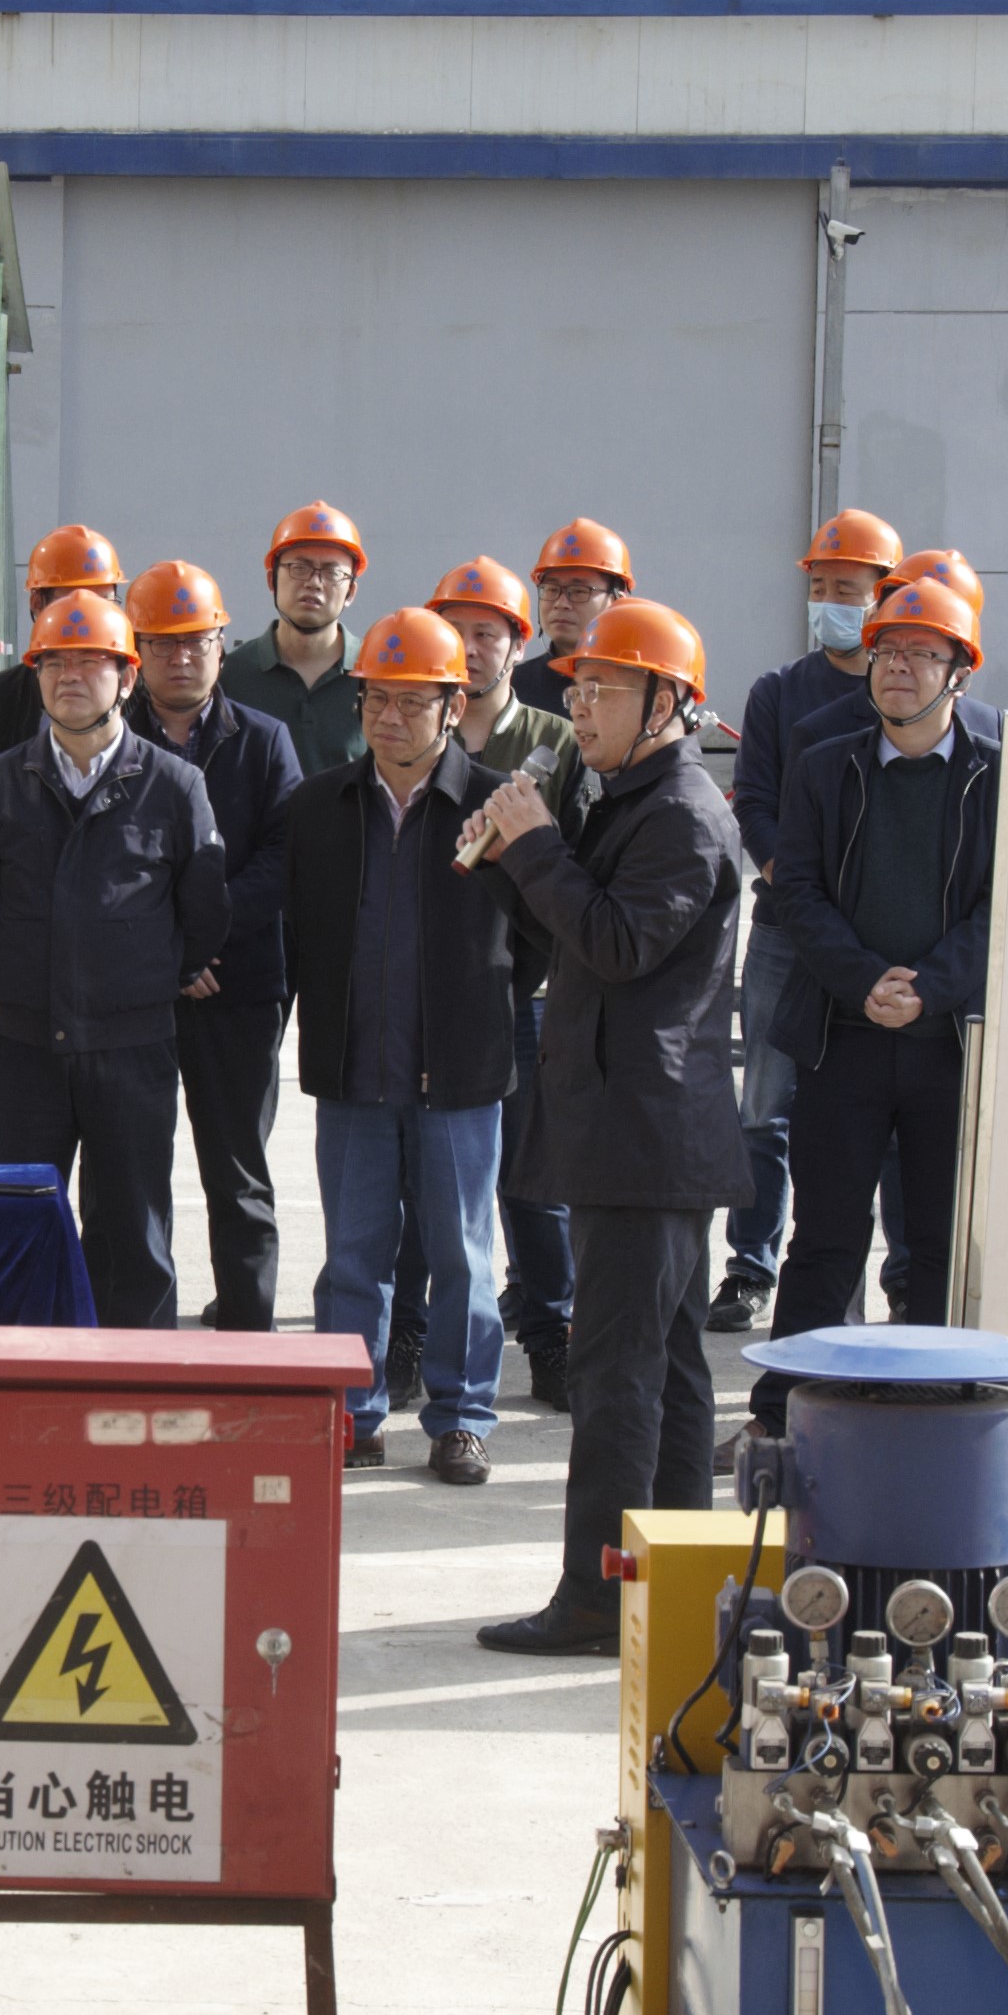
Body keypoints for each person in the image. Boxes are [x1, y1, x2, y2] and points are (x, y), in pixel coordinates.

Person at [469, 601, 746, 1655]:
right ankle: (675, 1580)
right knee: (664, 1365)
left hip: (647, 1133)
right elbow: (575, 928)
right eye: (578, 688)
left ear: (667, 704)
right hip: (634, 1129)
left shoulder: (680, 813)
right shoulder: (624, 797)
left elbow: (621, 942)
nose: (579, 707)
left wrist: (537, 847)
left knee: (617, 1375)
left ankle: (596, 1597)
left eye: (606, 690)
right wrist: (516, 852)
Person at [743, 575, 1002, 1444]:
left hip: (947, 1046)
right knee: (824, 1239)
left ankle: (929, 1413)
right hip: (842, 1041)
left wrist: (930, 985)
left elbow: (1002, 903)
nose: (897, 667)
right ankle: (782, 1415)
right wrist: (863, 982)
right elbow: (798, 892)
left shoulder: (996, 774)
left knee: (933, 1241)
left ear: (960, 672)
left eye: (922, 653)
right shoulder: (827, 766)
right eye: (888, 650)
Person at [280, 607, 523, 1483]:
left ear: (454, 706)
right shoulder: (319, 807)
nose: (389, 717)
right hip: (353, 1067)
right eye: (376, 699)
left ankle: (461, 1418)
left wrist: (476, 1011)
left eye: (412, 702)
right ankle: (353, 1412)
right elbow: (298, 929)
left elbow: (534, 942)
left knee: (462, 1257)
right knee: (354, 1254)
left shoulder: (498, 807)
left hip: (459, 1073)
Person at [0, 590, 226, 1326]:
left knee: (135, 1234)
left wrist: (146, 976)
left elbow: (203, 913)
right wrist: (14, 975)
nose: (69, 677)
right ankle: (24, 1378)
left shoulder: (174, 786)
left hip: (132, 1048)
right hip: (27, 1048)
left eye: (90, 662)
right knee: (19, 1222)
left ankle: (135, 1380)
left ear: (127, 678)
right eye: (53, 663)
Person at [715, 506, 905, 1340]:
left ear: (883, 594)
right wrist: (790, 886)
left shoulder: (899, 691)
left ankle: (894, 1277)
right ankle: (750, 1266)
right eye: (821, 586)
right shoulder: (780, 693)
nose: (830, 602)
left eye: (847, 588)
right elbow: (753, 801)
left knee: (874, 1118)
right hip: (787, 931)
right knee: (764, 1105)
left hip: (875, 940)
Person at [127, 558, 301, 1330]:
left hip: (240, 989)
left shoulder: (264, 742)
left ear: (221, 645)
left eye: (195, 640)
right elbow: (103, 866)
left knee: (237, 1175)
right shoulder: (108, 740)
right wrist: (171, 953)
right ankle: (140, 1332)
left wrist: (201, 942)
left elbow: (282, 858)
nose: (180, 657)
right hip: (139, 994)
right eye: (162, 642)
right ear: (136, 651)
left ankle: (247, 1330)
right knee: (133, 1172)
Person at [434, 555, 585, 1412]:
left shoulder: (556, 739)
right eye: (454, 631)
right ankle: (413, 1337)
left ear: (517, 645)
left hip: (527, 988)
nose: (469, 647)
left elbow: (574, 859)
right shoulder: (416, 722)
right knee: (433, 1181)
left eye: (486, 633)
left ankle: (551, 1336)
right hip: (439, 984)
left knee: (534, 1178)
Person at [221, 500, 370, 780]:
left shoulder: (376, 673)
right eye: (299, 568)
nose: (314, 583)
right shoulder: (232, 674)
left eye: (332, 573)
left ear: (350, 591)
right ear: (272, 580)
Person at [0, 524, 121, 774]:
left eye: (102, 601)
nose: (89, 613)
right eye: (71, 600)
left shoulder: (137, 697)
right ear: (37, 603)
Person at [512, 519, 635, 718]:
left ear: (617, 601)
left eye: (579, 591)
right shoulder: (514, 689)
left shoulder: (638, 688)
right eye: (551, 589)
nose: (561, 603)